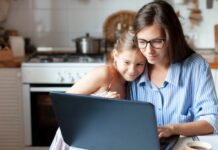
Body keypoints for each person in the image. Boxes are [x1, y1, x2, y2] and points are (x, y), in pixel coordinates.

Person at [128, 0, 218, 139]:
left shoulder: (196, 66)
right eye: (142, 42)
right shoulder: (132, 67)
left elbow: (212, 120)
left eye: (157, 41)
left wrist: (173, 129)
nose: (148, 50)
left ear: (172, 37)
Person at [50, 31, 147, 150]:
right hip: (81, 139)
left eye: (139, 64)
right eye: (126, 62)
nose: (132, 70)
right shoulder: (105, 74)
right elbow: (65, 104)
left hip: (102, 140)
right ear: (115, 55)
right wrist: (101, 103)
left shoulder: (131, 85)